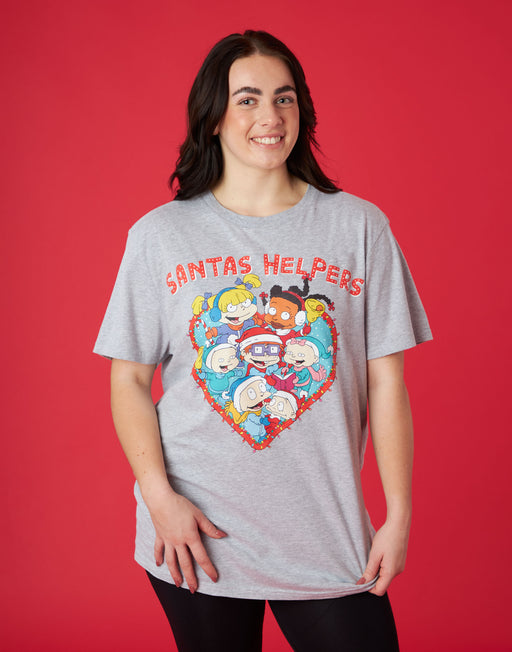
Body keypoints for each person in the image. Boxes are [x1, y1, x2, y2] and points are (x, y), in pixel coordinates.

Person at [94, 29, 432, 652]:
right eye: (247, 99)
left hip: (326, 531)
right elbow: (129, 379)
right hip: (197, 531)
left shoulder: (360, 227)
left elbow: (387, 383)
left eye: (284, 97)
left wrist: (399, 514)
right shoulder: (161, 236)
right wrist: (159, 497)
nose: (270, 117)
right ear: (213, 116)